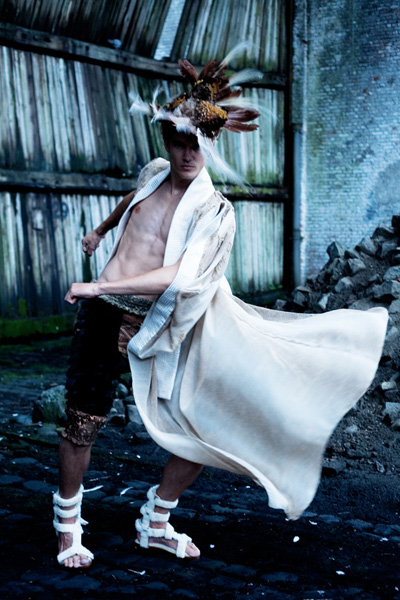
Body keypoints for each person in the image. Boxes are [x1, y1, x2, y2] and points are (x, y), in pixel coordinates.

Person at [53, 55, 388, 569]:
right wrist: (100, 231)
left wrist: (99, 284)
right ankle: (68, 527)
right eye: (180, 141)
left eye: (198, 143)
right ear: (166, 140)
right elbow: (132, 199)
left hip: (162, 321)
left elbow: (180, 275)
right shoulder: (154, 172)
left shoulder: (216, 212)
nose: (188, 153)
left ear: (211, 143)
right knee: (82, 420)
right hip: (104, 313)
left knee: (208, 424)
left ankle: (155, 522)